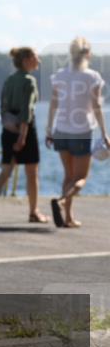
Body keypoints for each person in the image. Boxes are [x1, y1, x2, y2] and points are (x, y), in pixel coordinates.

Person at [46, 37, 109, 228]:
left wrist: (49, 130)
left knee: (68, 176)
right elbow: (97, 106)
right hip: (81, 131)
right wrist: (105, 133)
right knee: (81, 178)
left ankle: (68, 218)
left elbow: (53, 104)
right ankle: (62, 202)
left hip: (60, 131)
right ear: (88, 54)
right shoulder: (92, 77)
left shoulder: (59, 75)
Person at [0, 47, 48, 224]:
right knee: (32, 172)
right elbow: (27, 110)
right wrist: (23, 136)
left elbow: (2, 106)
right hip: (24, 130)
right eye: (35, 57)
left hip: (8, 128)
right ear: (26, 60)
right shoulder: (29, 81)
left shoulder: (9, 80)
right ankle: (34, 211)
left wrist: (10, 127)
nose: (38, 60)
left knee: (5, 170)